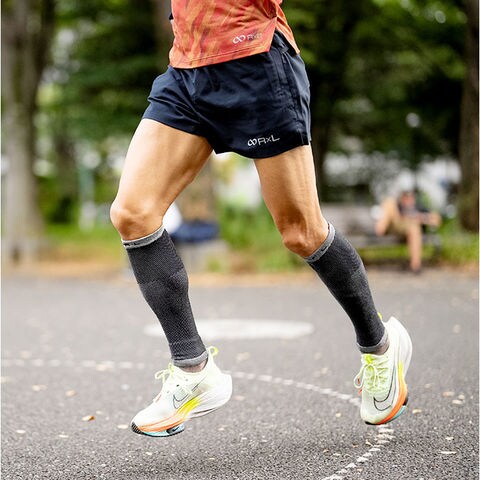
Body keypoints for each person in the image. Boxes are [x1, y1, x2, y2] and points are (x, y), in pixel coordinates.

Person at [110, 0, 412, 437]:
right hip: (188, 67)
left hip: (254, 60)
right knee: (133, 213)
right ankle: (194, 369)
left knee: (301, 232)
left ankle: (380, 347)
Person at [375, 190, 442, 273]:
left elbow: (437, 220)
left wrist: (421, 218)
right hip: (397, 226)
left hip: (410, 229)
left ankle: (415, 266)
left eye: (410, 197)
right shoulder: (399, 206)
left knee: (414, 228)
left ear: (414, 199)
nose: (407, 199)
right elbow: (396, 218)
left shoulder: (419, 207)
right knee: (389, 203)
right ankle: (380, 227)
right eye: (405, 197)